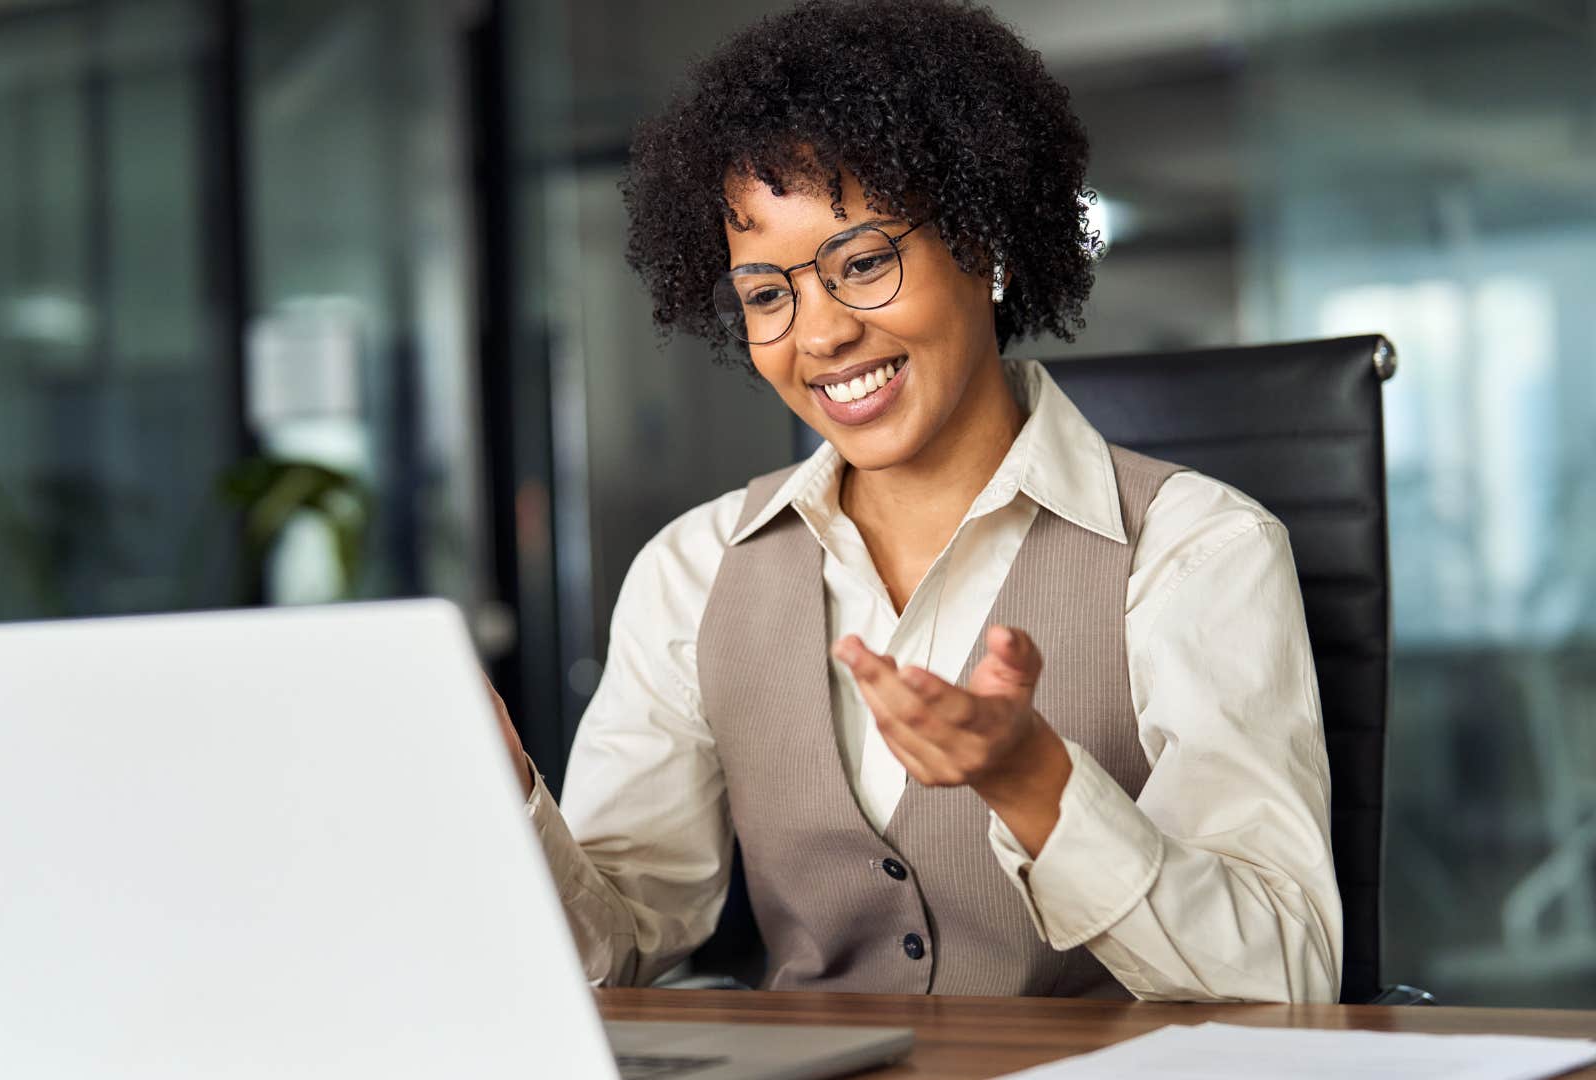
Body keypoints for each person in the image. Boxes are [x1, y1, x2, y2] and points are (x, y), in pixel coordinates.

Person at [488, 0, 1340, 1003]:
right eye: (768, 294)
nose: (820, 336)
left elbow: (1288, 979)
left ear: (987, 246)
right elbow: (618, 947)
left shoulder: (1197, 550)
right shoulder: (694, 570)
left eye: (862, 264)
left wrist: (1034, 784)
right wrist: (505, 799)